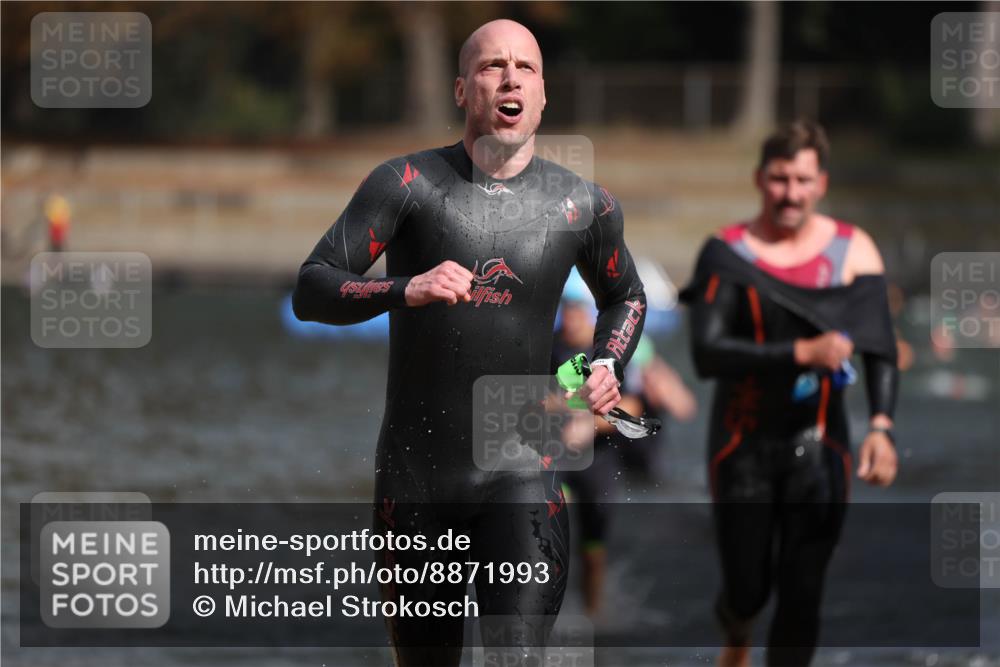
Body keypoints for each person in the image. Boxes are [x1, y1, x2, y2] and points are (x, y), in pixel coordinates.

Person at [292, 19, 646, 667]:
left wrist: (605, 359)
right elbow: (312, 287)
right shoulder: (406, 185)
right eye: (491, 66)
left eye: (526, 68)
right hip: (417, 477)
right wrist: (406, 288)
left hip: (522, 473)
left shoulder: (582, 206)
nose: (509, 77)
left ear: (543, 97)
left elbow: (627, 296)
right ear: (461, 89)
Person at [680, 121, 900, 667]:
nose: (791, 193)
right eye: (780, 179)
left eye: (803, 180)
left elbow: (880, 347)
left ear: (821, 183)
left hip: (822, 444)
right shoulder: (727, 254)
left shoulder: (854, 251)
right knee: (747, 591)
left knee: (803, 595)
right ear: (760, 179)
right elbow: (707, 356)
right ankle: (737, 634)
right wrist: (803, 354)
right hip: (741, 446)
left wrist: (881, 427)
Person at [551, 270, 695, 619]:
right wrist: (561, 406)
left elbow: (632, 406)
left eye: (579, 309)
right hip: (556, 454)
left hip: (601, 454)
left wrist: (591, 422)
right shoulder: (550, 344)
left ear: (595, 313)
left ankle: (593, 615)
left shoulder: (609, 349)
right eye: (566, 309)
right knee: (545, 537)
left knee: (593, 545)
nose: (572, 317)